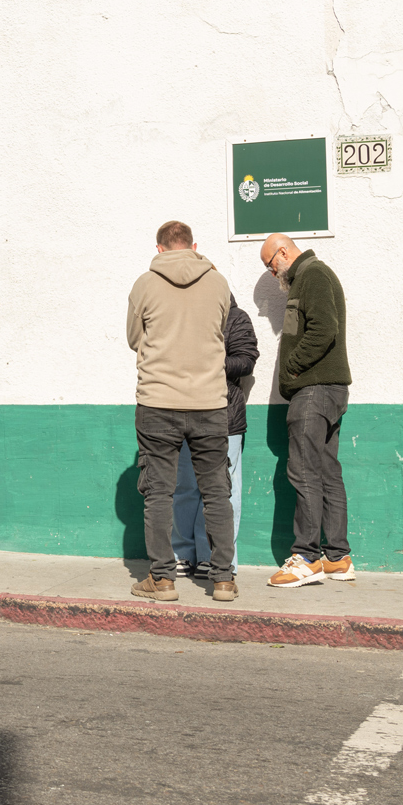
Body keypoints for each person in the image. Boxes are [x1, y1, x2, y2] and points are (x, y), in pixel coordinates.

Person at [124, 220, 238, 603]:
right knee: (217, 493)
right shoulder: (219, 283)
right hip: (209, 402)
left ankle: (162, 580)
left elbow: (134, 339)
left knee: (159, 493)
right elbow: (221, 330)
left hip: (158, 402)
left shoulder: (144, 284)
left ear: (159, 249)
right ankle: (223, 580)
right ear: (194, 246)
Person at [261, 233, 355, 589]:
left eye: (271, 266)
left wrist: (292, 368)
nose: (273, 274)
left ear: (283, 252)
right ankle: (337, 558)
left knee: (303, 472)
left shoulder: (313, 275)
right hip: (327, 390)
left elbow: (324, 329)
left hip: (314, 390)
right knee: (327, 472)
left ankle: (306, 558)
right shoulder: (310, 276)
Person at [171, 298, 259, 581]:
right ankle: (183, 553)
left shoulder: (236, 317)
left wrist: (209, 362)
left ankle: (213, 557)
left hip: (225, 419)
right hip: (185, 414)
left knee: (223, 490)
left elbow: (246, 360)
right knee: (185, 487)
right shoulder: (184, 314)